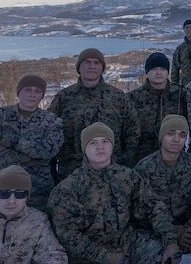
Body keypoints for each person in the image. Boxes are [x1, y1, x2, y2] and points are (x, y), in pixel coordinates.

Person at [48, 123, 177, 264]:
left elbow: (153, 206)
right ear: (84, 149)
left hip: (125, 241)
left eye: (105, 142)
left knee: (163, 257)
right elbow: (68, 236)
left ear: (112, 146)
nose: (100, 147)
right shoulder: (69, 188)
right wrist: (106, 258)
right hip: (91, 257)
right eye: (93, 143)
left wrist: (170, 241)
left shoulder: (128, 176)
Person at [134, 114, 191, 264]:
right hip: (155, 227)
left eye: (182, 135)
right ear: (161, 136)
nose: (176, 139)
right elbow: (139, 210)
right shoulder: (144, 168)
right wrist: (174, 232)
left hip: (186, 223)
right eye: (171, 134)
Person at [0, 74, 63, 212]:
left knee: (40, 229)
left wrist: (15, 143)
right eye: (28, 89)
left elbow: (49, 150)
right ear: (19, 92)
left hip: (38, 189)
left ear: (42, 95)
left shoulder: (52, 121)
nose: (32, 95)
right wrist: (28, 157)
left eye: (38, 91)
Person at [48, 48, 139, 182]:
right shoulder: (64, 98)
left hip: (111, 172)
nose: (92, 66)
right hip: (72, 172)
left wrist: (124, 162)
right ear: (79, 67)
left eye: (97, 63)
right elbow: (51, 134)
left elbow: (133, 131)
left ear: (102, 68)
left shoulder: (117, 97)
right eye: (87, 62)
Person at [127, 52, 186, 163]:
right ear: (147, 71)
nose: (159, 72)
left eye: (163, 69)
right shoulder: (133, 98)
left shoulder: (180, 94)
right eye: (154, 69)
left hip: (175, 157)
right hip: (141, 158)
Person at [171, 20, 191, 87]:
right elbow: (175, 69)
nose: (189, 29)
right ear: (184, 30)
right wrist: (174, 86)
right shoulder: (180, 48)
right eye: (186, 27)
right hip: (185, 85)